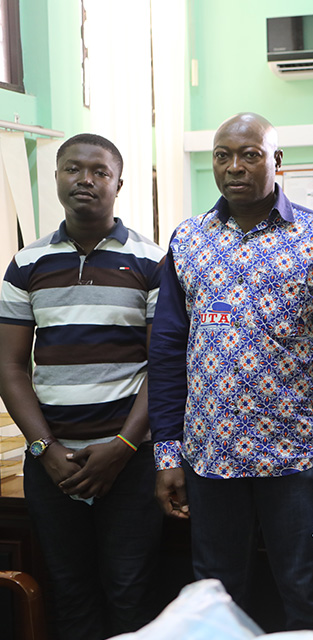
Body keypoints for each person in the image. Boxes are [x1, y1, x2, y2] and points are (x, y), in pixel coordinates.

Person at [148, 113, 313, 633]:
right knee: (214, 596)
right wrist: (166, 453)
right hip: (209, 457)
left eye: (250, 154)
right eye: (222, 155)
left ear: (277, 162)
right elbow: (165, 353)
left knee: (307, 591)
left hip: (295, 460)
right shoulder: (188, 241)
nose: (235, 166)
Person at [0, 133, 164, 639]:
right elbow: (9, 368)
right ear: (56, 178)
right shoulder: (26, 264)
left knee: (131, 592)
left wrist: (121, 446)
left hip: (131, 461)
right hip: (53, 464)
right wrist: (45, 448)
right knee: (69, 594)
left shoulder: (154, 262)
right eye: (73, 169)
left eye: (99, 171)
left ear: (119, 183)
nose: (85, 180)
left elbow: (164, 367)